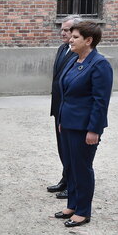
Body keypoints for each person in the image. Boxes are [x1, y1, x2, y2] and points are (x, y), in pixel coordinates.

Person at [54, 21, 113, 227]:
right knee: (70, 166)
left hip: (84, 127)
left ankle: (83, 211)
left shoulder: (99, 64)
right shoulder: (74, 60)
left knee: (82, 168)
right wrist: (61, 120)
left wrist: (94, 130)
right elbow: (65, 94)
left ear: (89, 41)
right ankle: (72, 205)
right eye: (71, 36)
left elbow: (100, 101)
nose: (70, 39)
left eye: (75, 37)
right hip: (68, 124)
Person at [47, 15, 81, 199]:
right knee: (62, 146)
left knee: (72, 148)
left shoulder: (79, 53)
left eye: (66, 30)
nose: (62, 33)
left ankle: (74, 184)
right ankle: (65, 179)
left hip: (70, 109)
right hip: (58, 107)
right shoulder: (63, 49)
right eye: (61, 29)